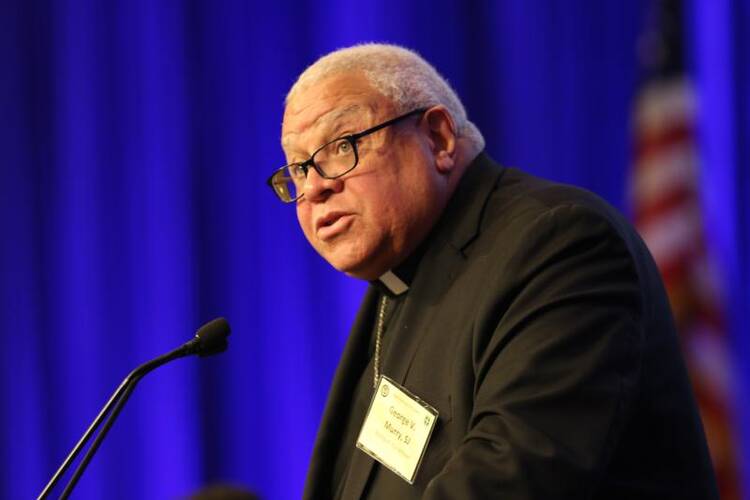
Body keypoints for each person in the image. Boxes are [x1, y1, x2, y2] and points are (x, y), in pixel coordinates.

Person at [267, 44, 719, 499]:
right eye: (298, 168)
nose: (316, 187)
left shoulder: (561, 244)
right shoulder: (398, 284)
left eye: (342, 146)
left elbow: (514, 477)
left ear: (439, 138)